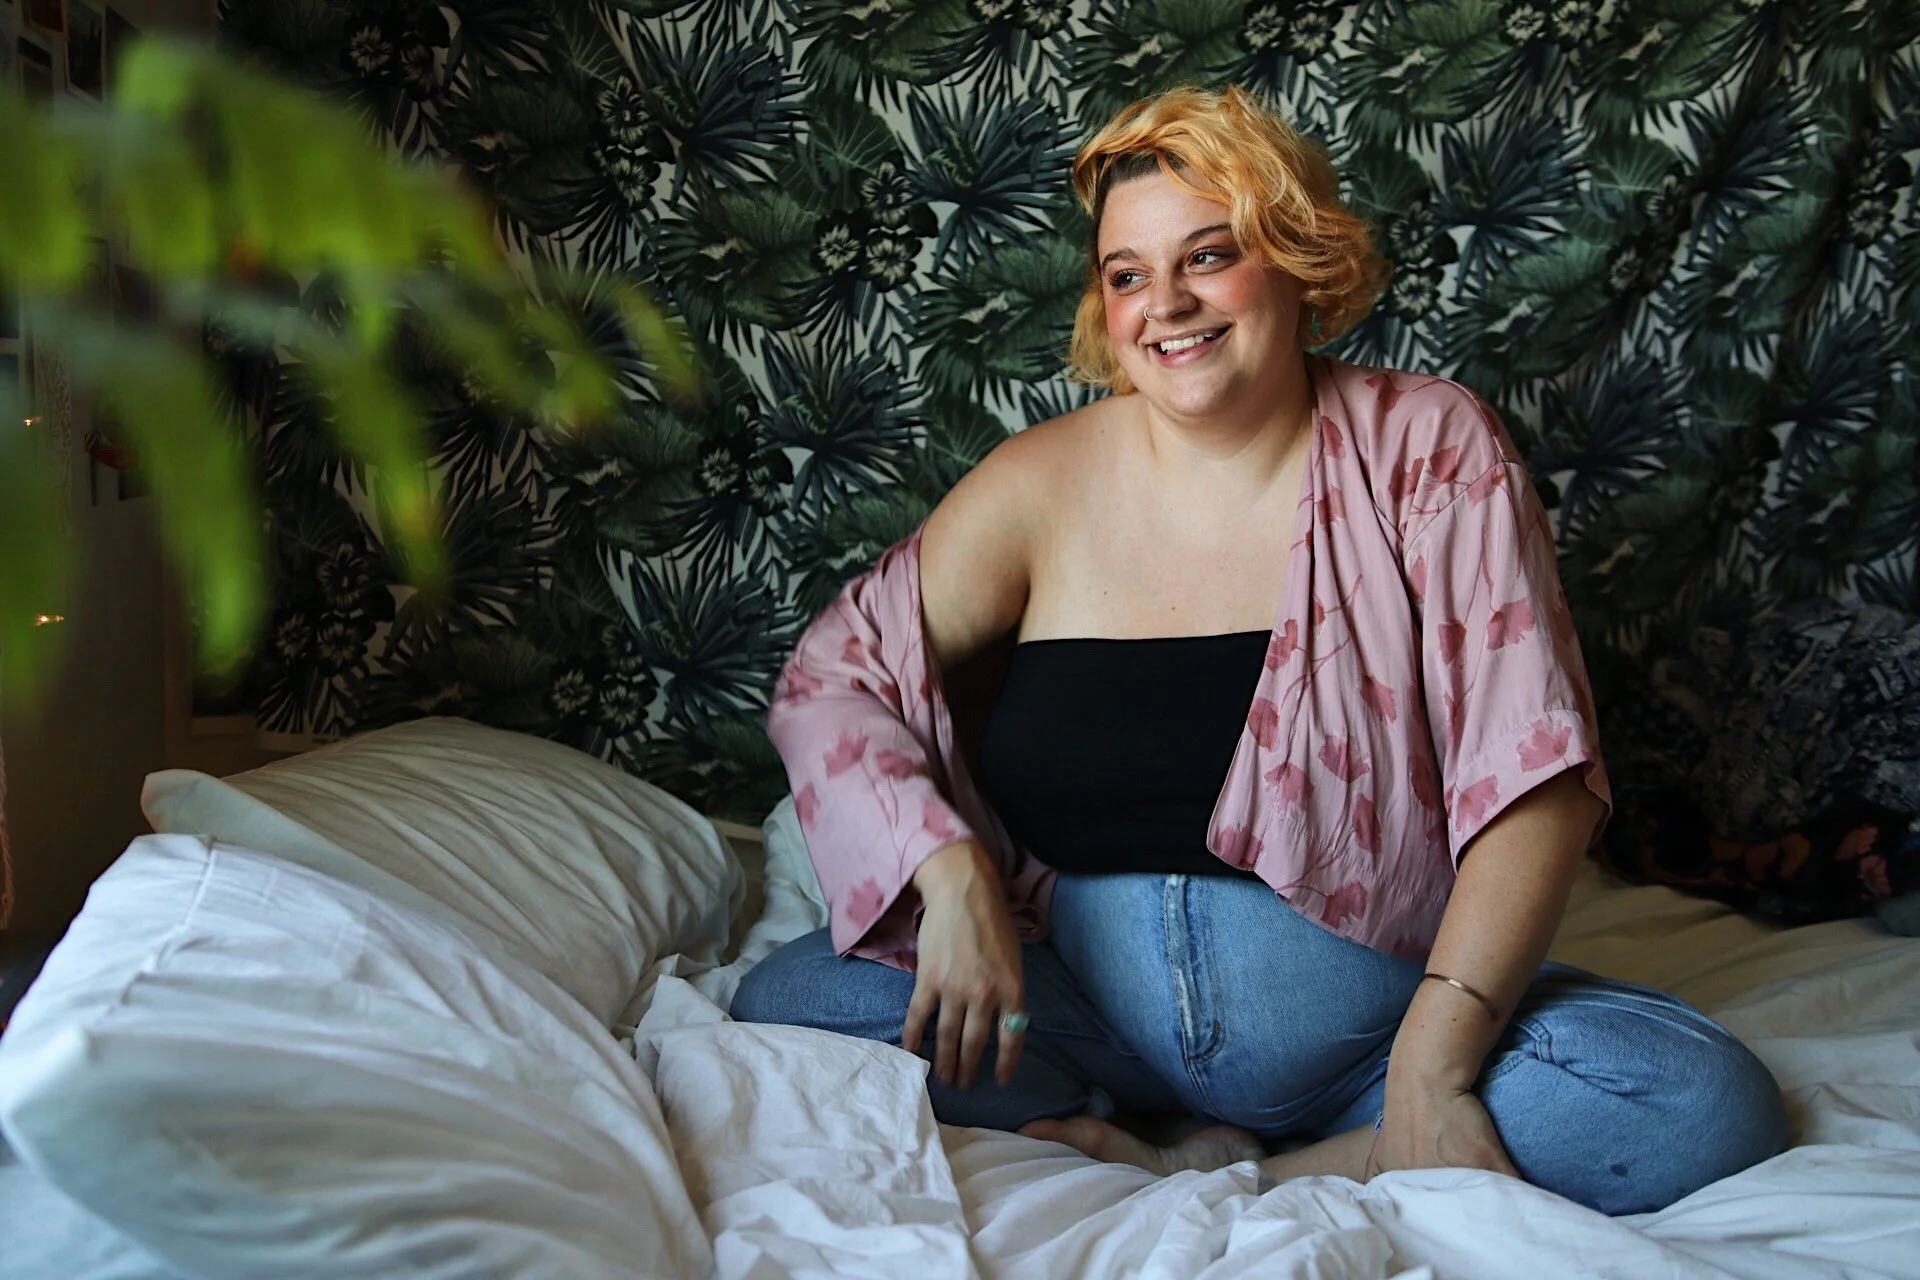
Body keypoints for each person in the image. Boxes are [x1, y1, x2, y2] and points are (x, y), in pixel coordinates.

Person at [731, 84, 1788, 1216]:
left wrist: (1434, 1063)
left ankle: (1267, 1160)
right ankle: (1159, 1114)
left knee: (1698, 1103)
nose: (1166, 304)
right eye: (1127, 274)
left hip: (1377, 1043)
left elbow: (1538, 782)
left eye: (1209, 255)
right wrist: (948, 875)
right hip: (1093, 1023)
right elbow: (832, 676)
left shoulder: (1427, 446)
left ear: (1292, 255)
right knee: (794, 1001)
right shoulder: (1037, 482)